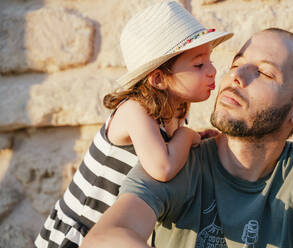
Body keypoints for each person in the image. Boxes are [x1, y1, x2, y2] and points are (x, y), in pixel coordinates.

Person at [81, 27, 293, 248]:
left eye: (264, 73)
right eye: (236, 64)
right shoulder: (180, 161)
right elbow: (105, 238)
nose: (237, 76)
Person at [34, 1, 232, 247]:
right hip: (79, 232)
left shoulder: (177, 109)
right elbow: (163, 166)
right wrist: (188, 136)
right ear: (159, 78)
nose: (213, 70)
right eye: (199, 64)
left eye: (209, 60)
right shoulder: (135, 110)